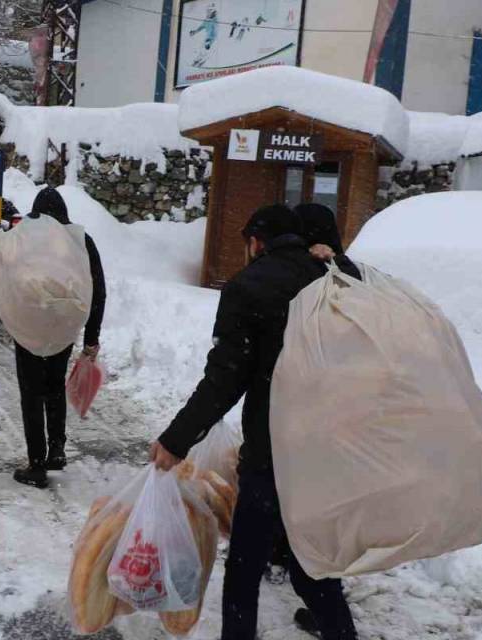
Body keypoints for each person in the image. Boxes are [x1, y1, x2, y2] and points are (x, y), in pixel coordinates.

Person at [149, 202, 360, 640]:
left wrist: (176, 440)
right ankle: (341, 633)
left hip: (273, 454)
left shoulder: (249, 287)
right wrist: (337, 260)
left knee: (244, 569)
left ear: (256, 242)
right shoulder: (332, 277)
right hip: (328, 452)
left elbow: (225, 379)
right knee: (312, 564)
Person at [12, 187, 106, 489]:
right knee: (53, 386)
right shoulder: (80, 242)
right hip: (62, 327)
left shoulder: (25, 241)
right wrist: (91, 336)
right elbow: (98, 291)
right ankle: (57, 450)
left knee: (31, 393)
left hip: (29, 326)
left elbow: (7, 279)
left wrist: (12, 318)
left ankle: (36, 464)